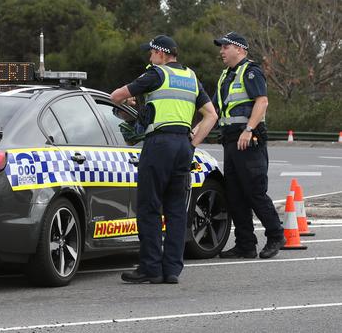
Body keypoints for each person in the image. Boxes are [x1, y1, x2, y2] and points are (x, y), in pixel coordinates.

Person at [111, 35, 218, 284]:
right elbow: (211, 115)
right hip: (183, 145)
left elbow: (116, 96)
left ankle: (150, 267)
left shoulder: (157, 74)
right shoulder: (191, 77)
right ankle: (171, 270)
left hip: (159, 144)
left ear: (160, 54)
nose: (149, 58)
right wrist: (192, 142)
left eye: (151, 53)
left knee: (149, 206)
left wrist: (127, 99)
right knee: (176, 209)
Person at [212, 32, 285, 259]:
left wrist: (249, 129)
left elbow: (262, 102)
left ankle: (275, 236)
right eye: (221, 47)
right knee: (235, 195)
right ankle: (245, 244)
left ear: (240, 49)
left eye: (225, 47)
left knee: (254, 192)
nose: (221, 51)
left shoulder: (251, 71)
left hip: (249, 141)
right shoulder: (226, 75)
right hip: (231, 141)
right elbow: (212, 109)